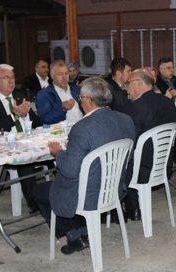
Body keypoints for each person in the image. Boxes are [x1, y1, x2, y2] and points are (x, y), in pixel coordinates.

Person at [33, 78, 135, 255]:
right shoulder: (126, 120)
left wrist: (58, 153)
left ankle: (73, 236)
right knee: (75, 179)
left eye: (80, 99)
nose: (80, 102)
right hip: (113, 189)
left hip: (90, 194)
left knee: (40, 191)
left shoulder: (82, 127)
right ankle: (83, 230)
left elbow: (70, 170)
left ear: (88, 100)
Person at [0, 64, 42, 212]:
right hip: (5, 144)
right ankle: (35, 204)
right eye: (6, 78)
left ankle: (52, 197)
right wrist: (14, 114)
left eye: (12, 77)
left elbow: (37, 122)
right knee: (26, 159)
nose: (11, 81)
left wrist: (25, 114)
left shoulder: (20, 95)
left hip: (27, 139)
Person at [123, 69, 176, 221]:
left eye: (127, 84)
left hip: (143, 170)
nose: (125, 88)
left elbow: (129, 141)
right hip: (164, 166)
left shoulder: (134, 107)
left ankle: (130, 207)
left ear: (138, 84)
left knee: (119, 157)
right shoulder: (168, 103)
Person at [35, 60, 82, 125]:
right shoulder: (44, 95)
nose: (64, 77)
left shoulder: (77, 89)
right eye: (60, 74)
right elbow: (45, 120)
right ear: (52, 75)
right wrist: (63, 108)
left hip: (83, 128)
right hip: (62, 133)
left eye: (66, 73)